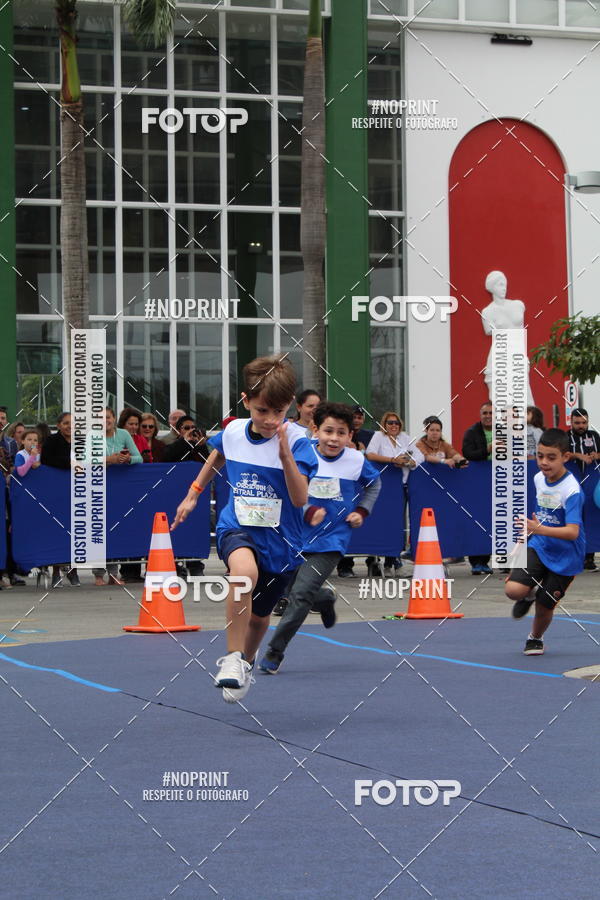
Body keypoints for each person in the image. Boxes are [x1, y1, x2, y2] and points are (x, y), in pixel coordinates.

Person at [171, 354, 317, 704]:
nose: (270, 420)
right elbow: (218, 454)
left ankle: (246, 662)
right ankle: (232, 658)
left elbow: (300, 499)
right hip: (238, 526)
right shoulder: (234, 430)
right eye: (262, 410)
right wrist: (193, 493)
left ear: (290, 407)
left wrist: (284, 459)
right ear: (246, 400)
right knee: (242, 574)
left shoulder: (298, 442)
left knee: (260, 617)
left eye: (278, 412)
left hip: (281, 541)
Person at [259, 402, 381, 674]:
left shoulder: (356, 461)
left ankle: (274, 652)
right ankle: (324, 598)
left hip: (331, 540)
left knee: (299, 595)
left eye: (341, 432)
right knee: (290, 590)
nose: (334, 438)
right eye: (328, 431)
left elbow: (374, 484)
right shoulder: (304, 456)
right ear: (315, 430)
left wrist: (362, 510)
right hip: (295, 536)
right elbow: (290, 487)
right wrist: (307, 508)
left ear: (350, 436)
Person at [505, 428, 585, 655]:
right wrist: (528, 533)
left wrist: (539, 528)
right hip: (540, 545)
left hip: (567, 556)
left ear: (565, 457)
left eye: (551, 457)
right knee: (513, 590)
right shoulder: (538, 478)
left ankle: (535, 638)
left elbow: (572, 532)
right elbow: (541, 511)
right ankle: (528, 593)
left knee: (545, 605)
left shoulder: (572, 490)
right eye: (540, 456)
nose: (544, 462)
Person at [365, 412, 423, 576]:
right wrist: (392, 460)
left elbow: (419, 454)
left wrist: (411, 462)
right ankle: (376, 560)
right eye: (390, 423)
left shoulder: (405, 437)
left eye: (396, 423)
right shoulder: (378, 436)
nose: (393, 426)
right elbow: (370, 454)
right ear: (384, 424)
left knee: (398, 522)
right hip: (382, 485)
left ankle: (394, 561)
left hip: (399, 485)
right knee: (380, 521)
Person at [93, 408, 143, 586]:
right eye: (100, 418)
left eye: (107, 417)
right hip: (96, 487)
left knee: (114, 529)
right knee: (98, 530)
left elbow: (139, 458)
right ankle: (98, 574)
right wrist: (108, 460)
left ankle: (113, 573)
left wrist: (127, 460)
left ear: (114, 419)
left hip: (119, 489)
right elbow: (83, 459)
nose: (105, 420)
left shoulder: (122, 434)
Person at [38, 413, 80, 587]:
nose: (69, 426)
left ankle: (73, 570)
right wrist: (69, 463)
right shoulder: (52, 441)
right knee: (59, 530)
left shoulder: (81, 441)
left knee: (76, 530)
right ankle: (56, 571)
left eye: (72, 423)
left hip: (78, 491)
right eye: (65, 423)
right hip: (57, 491)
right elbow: (47, 460)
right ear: (59, 425)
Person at [481, 270, 533, 405]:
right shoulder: (487, 312)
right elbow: (488, 331)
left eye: (505, 284)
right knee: (502, 399)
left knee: (525, 398)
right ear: (492, 287)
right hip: (500, 355)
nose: (504, 288)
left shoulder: (518, 305)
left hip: (517, 353)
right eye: (499, 284)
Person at [566, 407, 600, 570]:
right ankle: (574, 554)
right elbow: (560, 453)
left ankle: (589, 556)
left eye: (584, 422)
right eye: (577, 423)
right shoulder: (565, 436)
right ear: (571, 422)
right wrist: (577, 455)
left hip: (591, 483)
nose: (581, 425)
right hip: (571, 481)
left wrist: (597, 455)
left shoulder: (594, 436)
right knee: (573, 517)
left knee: (591, 517)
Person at [462, 401, 494, 575]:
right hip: (477, 482)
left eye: (491, 413)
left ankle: (486, 560)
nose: (488, 416)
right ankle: (475, 562)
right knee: (478, 520)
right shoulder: (471, 432)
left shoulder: (503, 432)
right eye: (485, 413)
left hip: (498, 481)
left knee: (492, 521)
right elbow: (468, 454)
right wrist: (487, 449)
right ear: (480, 415)